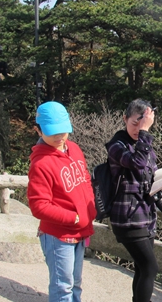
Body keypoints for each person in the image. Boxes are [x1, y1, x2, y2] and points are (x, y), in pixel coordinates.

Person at [27, 101, 96, 302]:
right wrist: (73, 217)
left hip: (80, 230)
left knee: (75, 283)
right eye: (53, 132)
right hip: (58, 234)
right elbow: (39, 205)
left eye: (63, 131)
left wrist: (89, 208)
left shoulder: (74, 149)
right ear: (38, 131)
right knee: (62, 287)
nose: (59, 137)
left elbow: (85, 181)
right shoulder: (40, 164)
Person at [106, 99, 158, 302]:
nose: (138, 129)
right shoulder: (116, 145)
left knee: (141, 268)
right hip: (127, 217)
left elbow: (150, 176)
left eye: (142, 124)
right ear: (124, 119)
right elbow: (137, 163)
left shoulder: (145, 145)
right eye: (134, 123)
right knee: (150, 267)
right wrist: (145, 132)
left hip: (146, 215)